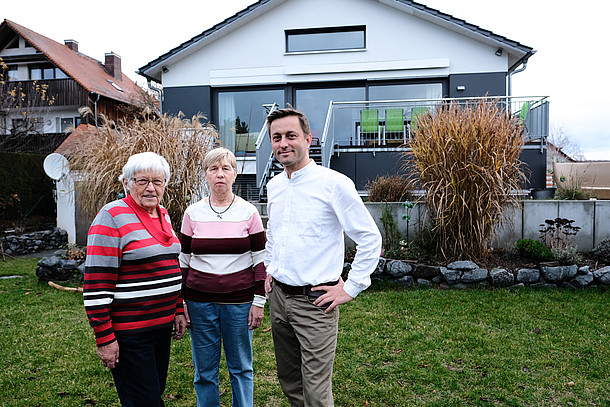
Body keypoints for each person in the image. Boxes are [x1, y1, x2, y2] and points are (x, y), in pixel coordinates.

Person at [263, 107, 382, 406]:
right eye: (276, 137)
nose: (283, 143)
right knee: (290, 381)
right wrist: (270, 267)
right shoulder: (275, 186)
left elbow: (370, 237)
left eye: (291, 135)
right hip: (279, 298)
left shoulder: (334, 184)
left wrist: (351, 287)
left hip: (316, 302)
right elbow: (275, 233)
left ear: (308, 138)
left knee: (315, 391)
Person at [83, 151, 187, 407]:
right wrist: (105, 338)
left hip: (160, 329)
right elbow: (96, 284)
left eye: (157, 181)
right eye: (142, 181)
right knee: (144, 401)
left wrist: (177, 308)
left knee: (153, 392)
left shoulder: (162, 214)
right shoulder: (112, 216)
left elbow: (170, 265)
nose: (150, 188)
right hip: (131, 333)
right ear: (126, 183)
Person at [179, 147, 266, 407]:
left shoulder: (249, 213)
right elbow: (183, 262)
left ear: (235, 174)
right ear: (205, 175)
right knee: (204, 372)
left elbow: (260, 261)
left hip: (239, 304)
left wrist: (259, 302)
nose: (219, 174)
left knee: (241, 368)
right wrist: (181, 303)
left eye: (225, 168)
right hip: (199, 304)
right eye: (213, 169)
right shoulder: (192, 214)